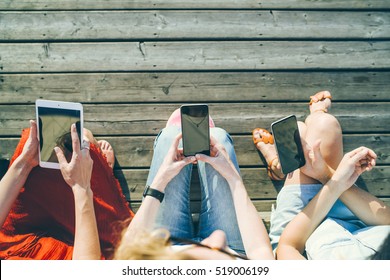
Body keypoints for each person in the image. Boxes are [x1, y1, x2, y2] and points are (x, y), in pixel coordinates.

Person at [113, 109, 274, 260]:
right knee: (219, 136)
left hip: (164, 250)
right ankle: (199, 149)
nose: (219, 237)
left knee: (170, 137)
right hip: (235, 250)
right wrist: (233, 178)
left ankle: (191, 149)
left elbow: (130, 252)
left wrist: (162, 177)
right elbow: (260, 250)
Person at [253, 91, 390, 259]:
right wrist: (326, 175)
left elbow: (288, 247)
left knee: (302, 130)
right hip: (354, 216)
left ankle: (277, 164)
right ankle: (281, 164)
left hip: (299, 228)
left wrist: (335, 181)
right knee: (318, 128)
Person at [0, 120, 133, 259]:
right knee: (86, 144)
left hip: (15, 240)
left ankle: (98, 173)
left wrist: (25, 163)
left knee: (35, 142)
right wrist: (82, 187)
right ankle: (101, 174)